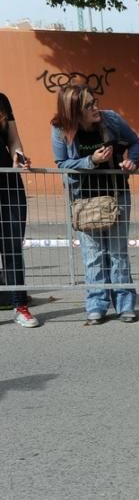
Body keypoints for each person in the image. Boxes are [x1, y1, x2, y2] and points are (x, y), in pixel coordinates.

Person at [51, 84, 139, 323]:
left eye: (95, 101)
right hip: (84, 200)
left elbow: (136, 143)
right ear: (74, 112)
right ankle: (96, 305)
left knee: (118, 253)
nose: (96, 108)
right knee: (93, 255)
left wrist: (131, 161)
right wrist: (90, 160)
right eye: (89, 105)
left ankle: (125, 303)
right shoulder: (61, 129)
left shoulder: (111, 119)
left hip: (116, 195)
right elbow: (61, 164)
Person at [1, 92, 39, 327]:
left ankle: (20, 306)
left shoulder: (2, 100)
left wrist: (19, 156)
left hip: (8, 182)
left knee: (12, 245)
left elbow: (13, 140)